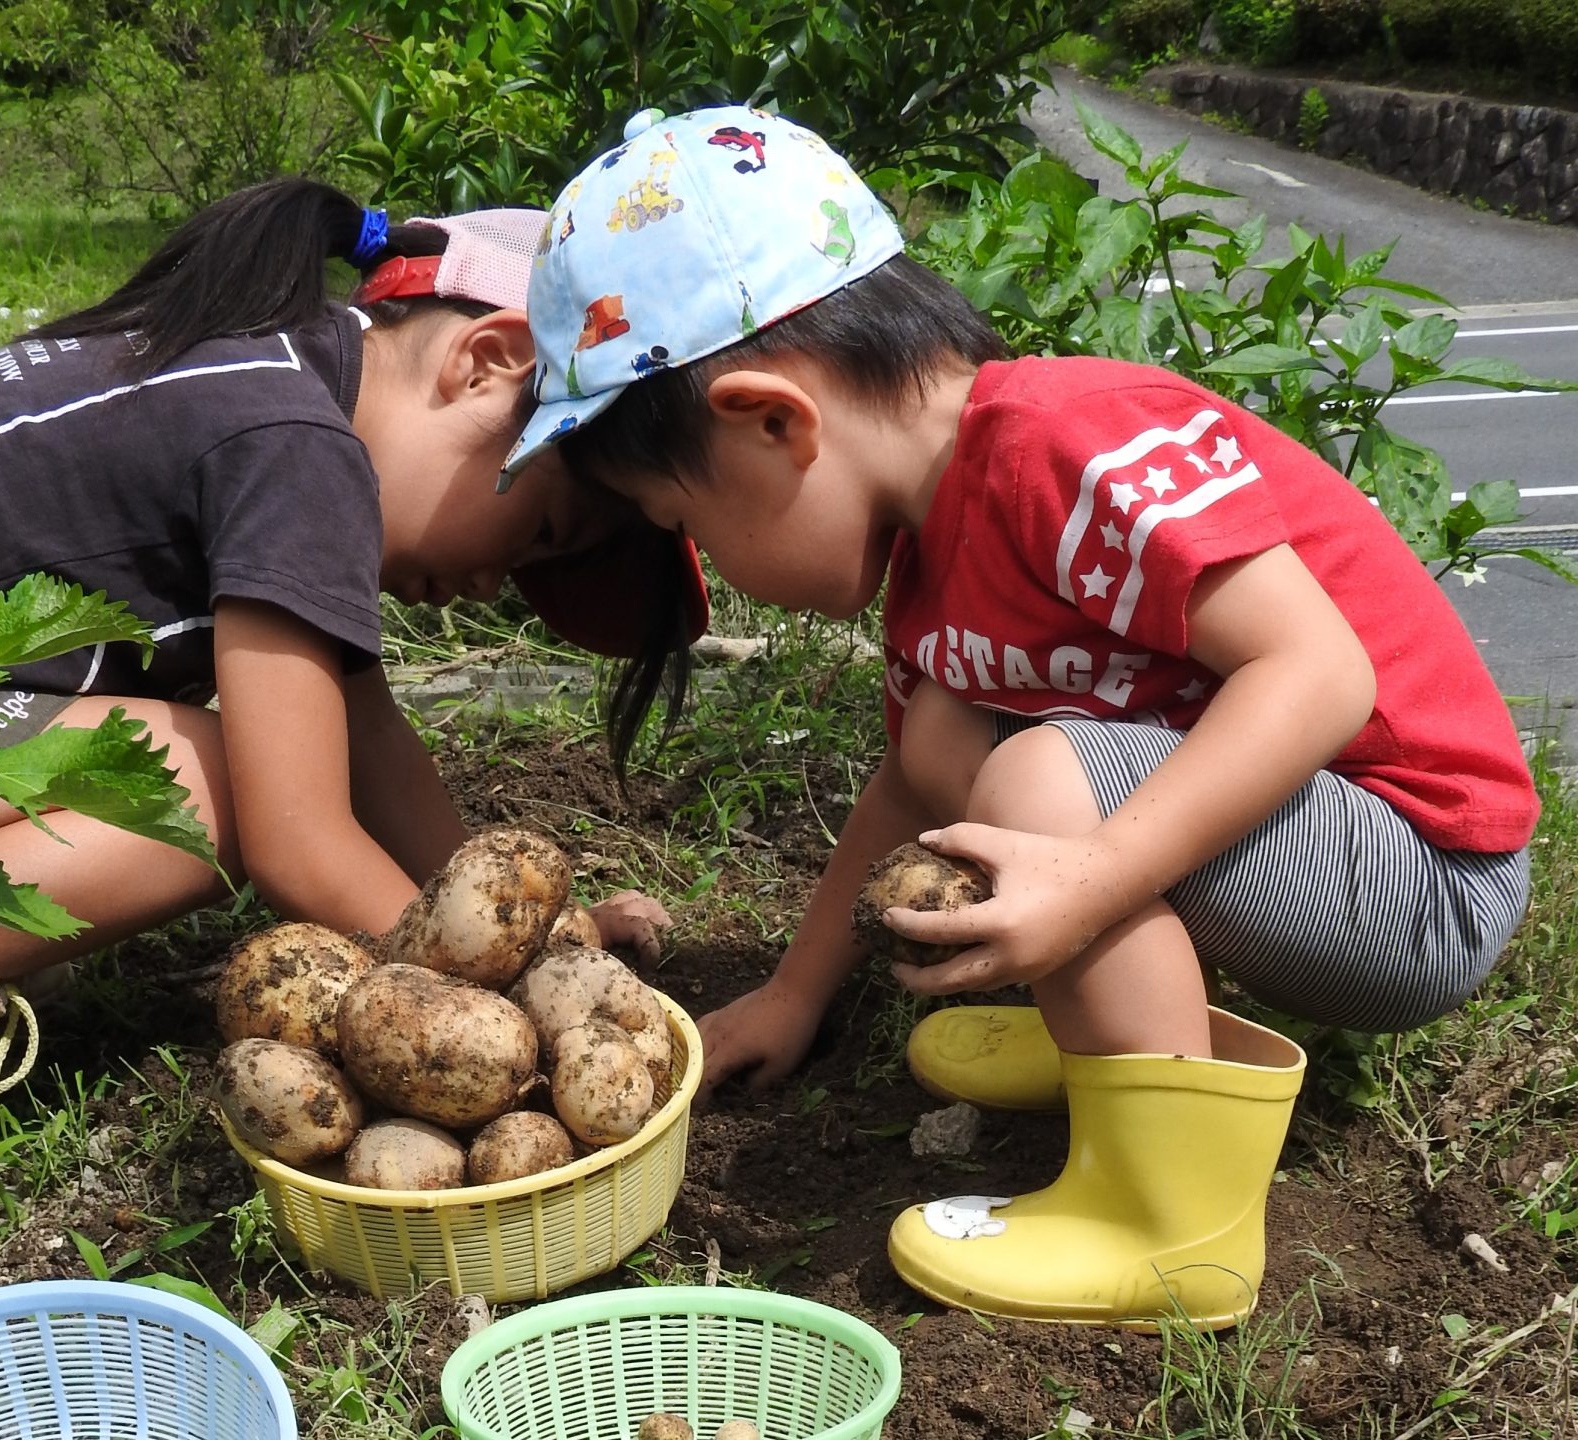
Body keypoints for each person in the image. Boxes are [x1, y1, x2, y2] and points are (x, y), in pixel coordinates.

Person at [500, 105, 1537, 1329]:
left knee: (1039, 780)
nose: (701, 557)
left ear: (774, 421)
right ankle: (1119, 1043)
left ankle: (1170, 1226)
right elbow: (905, 787)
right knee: (948, 745)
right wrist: (795, 991)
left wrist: (1094, 879)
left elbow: (1320, 675)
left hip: (1424, 872)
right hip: (1317, 853)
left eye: (685, 518)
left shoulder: (1062, 443)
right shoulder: (936, 558)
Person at [0, 181, 708, 1240]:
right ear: (487, 362)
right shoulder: (299, 447)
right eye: (538, 536)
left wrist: (546, 944)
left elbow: (370, 744)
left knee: (212, 762)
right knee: (191, 787)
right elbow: (299, 838)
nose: (497, 587)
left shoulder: (271, 372)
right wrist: (473, 1023)